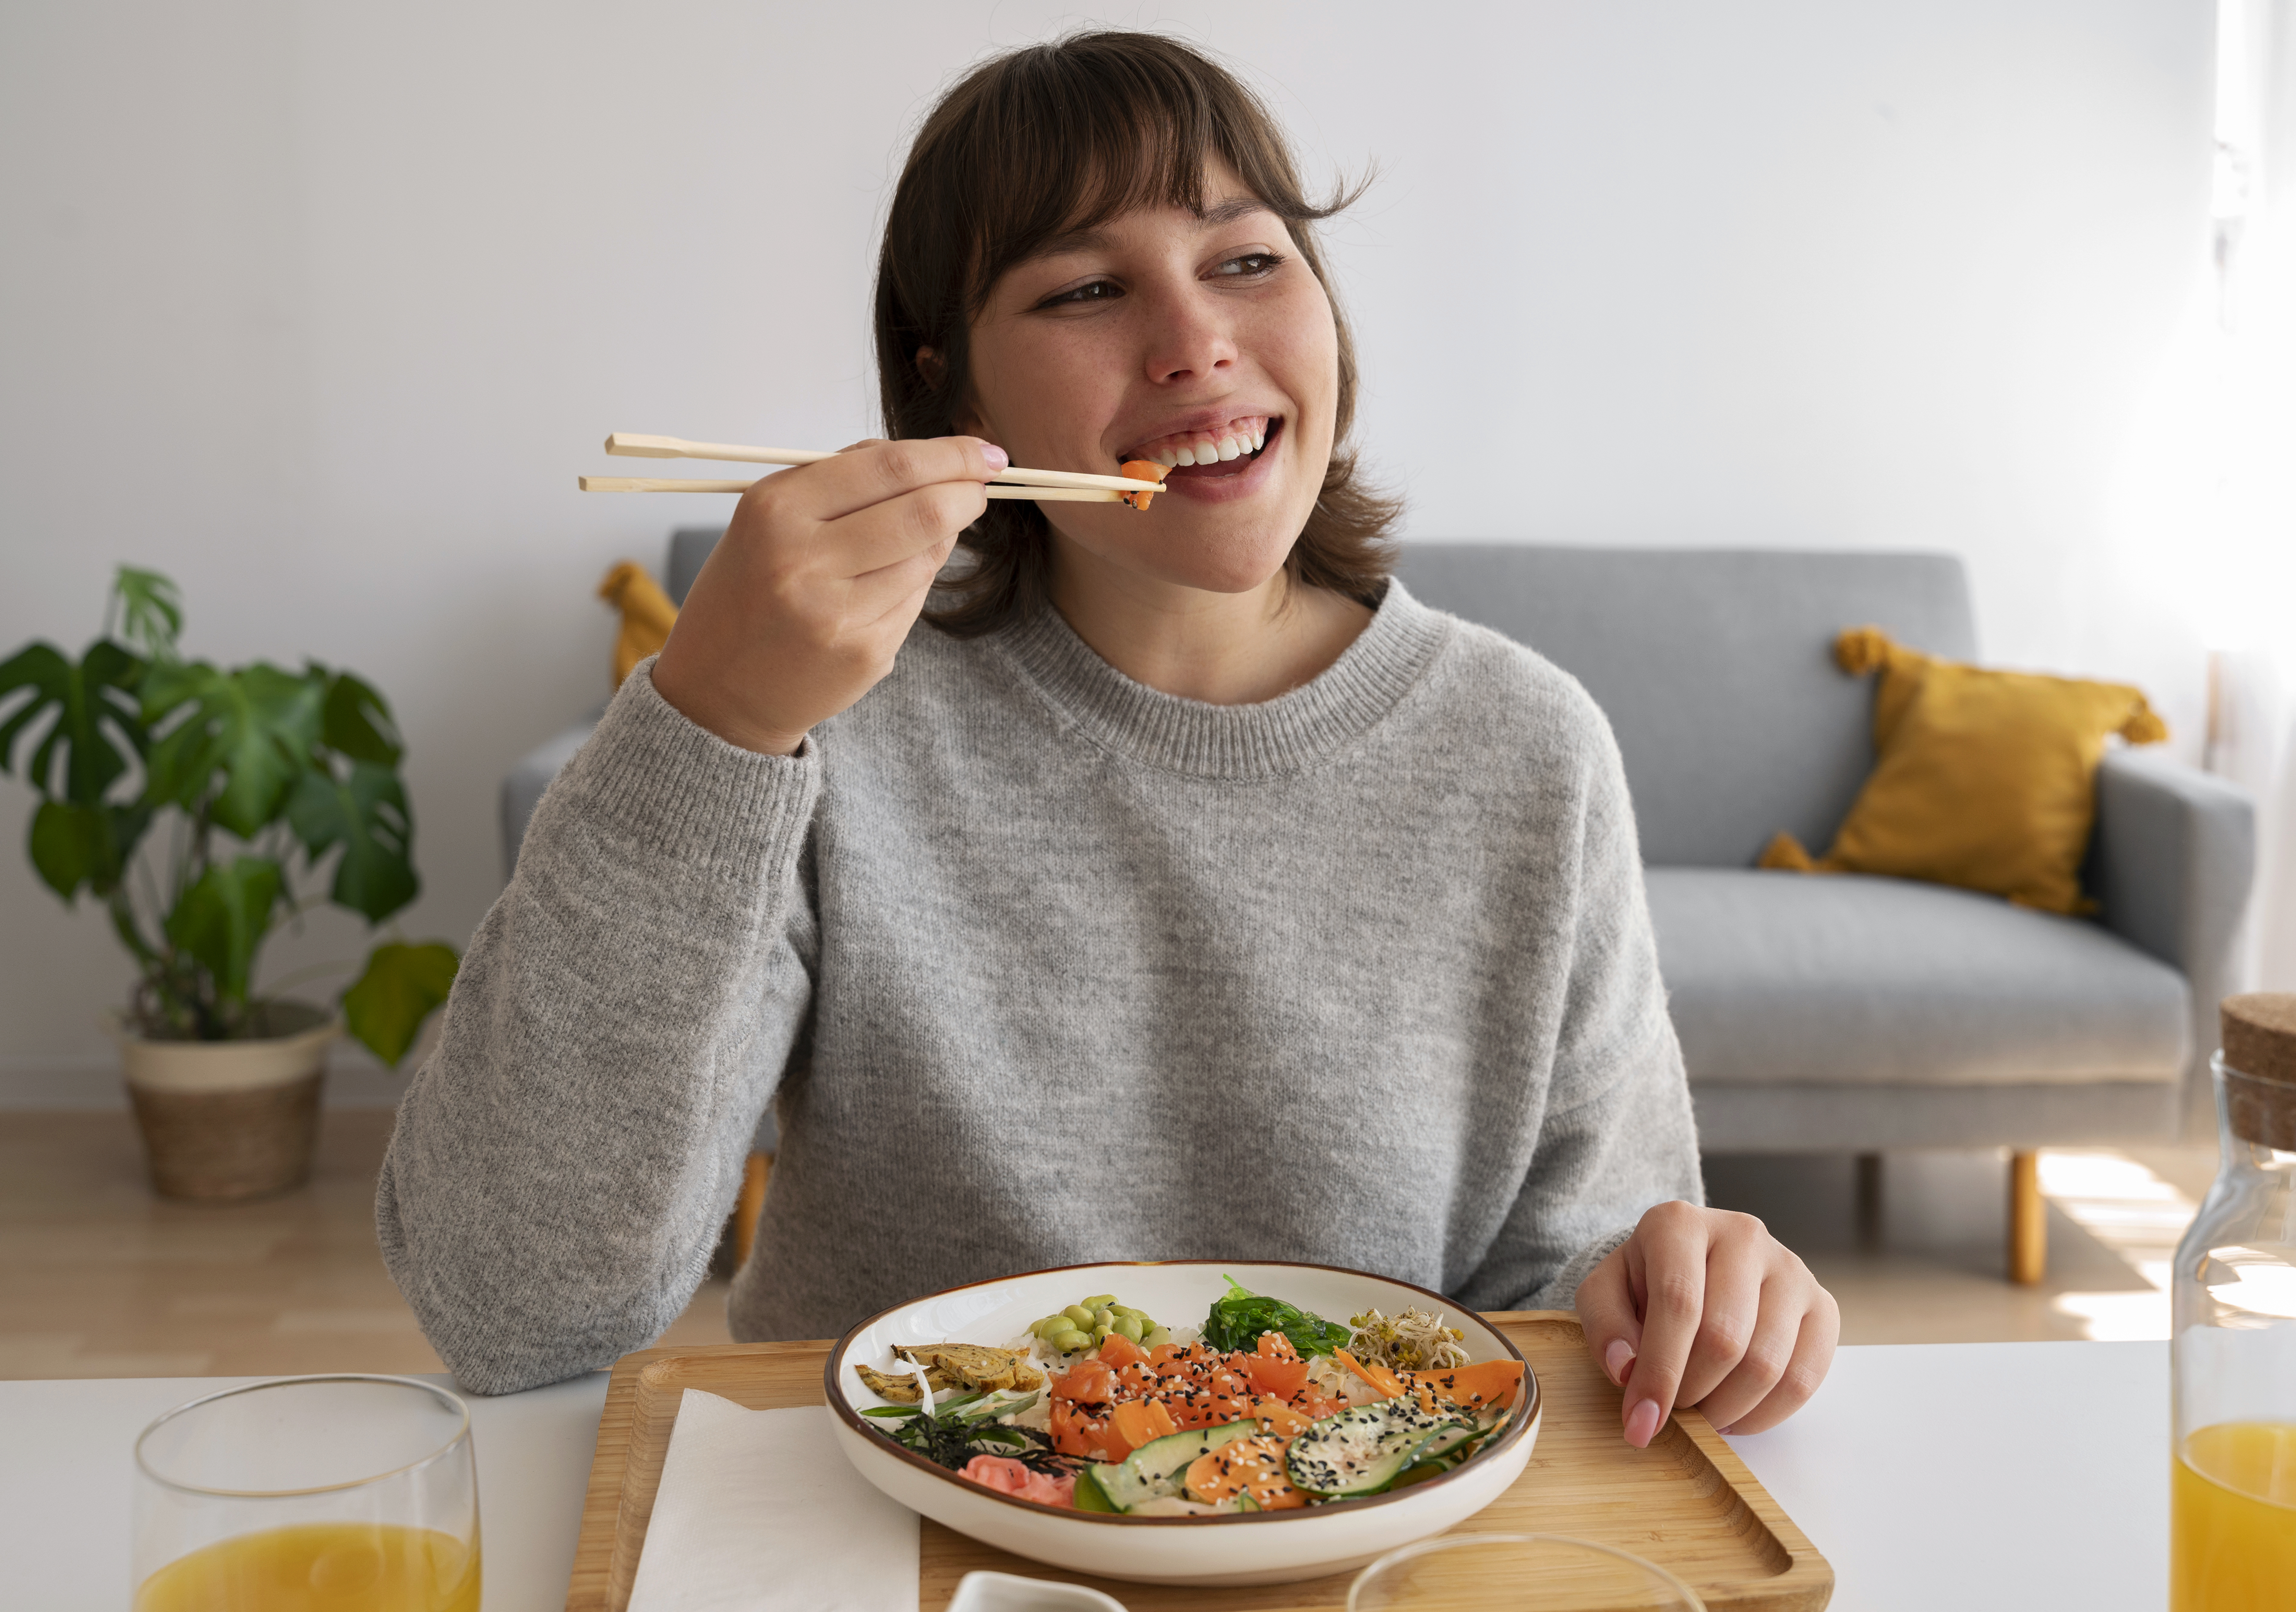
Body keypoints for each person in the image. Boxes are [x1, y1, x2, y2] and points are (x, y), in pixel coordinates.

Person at [378, 30, 1837, 1448]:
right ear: (953, 392)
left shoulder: (1530, 745)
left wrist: (1682, 1294)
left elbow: (1571, 1292)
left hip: (1354, 1540)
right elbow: (513, 1308)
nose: (1195, 344)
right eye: (1084, 288)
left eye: (1248, 260)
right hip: (890, 1531)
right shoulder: (831, 726)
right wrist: (709, 725)